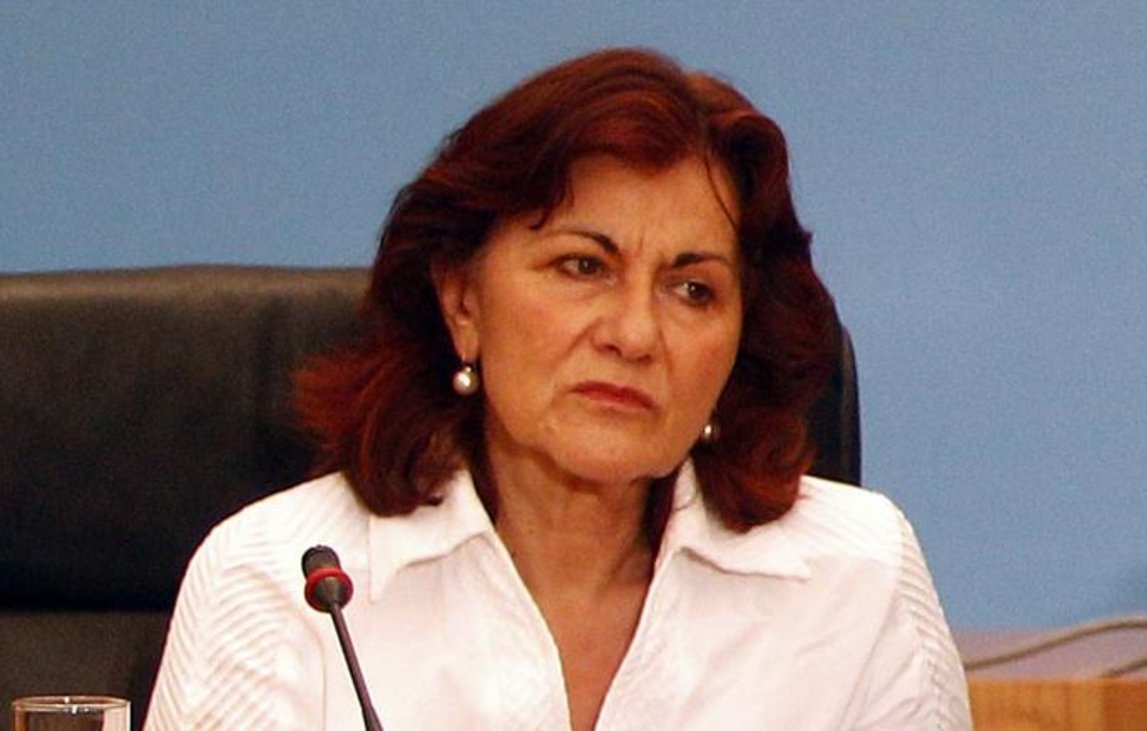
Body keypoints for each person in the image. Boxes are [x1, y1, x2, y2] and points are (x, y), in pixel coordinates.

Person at [146, 47, 971, 730]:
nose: (635, 334)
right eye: (583, 266)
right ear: (463, 302)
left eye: (692, 290)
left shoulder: (855, 579)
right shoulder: (279, 582)